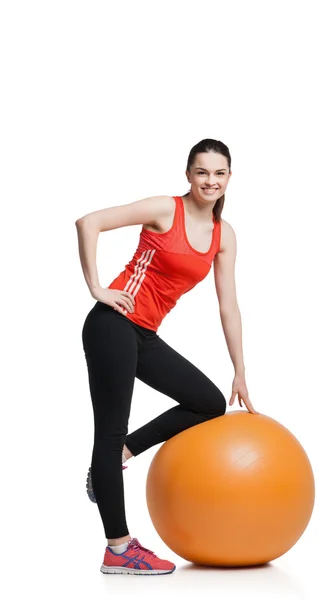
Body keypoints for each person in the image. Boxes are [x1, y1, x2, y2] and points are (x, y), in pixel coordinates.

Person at [75, 138, 259, 576]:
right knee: (108, 427)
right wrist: (97, 288)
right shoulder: (165, 209)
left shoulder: (223, 235)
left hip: (143, 335)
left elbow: (228, 305)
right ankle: (118, 549)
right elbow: (89, 222)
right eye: (201, 172)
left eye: (218, 173)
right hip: (112, 325)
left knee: (208, 402)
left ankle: (123, 450)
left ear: (229, 177)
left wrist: (240, 370)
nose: (209, 181)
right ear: (189, 175)